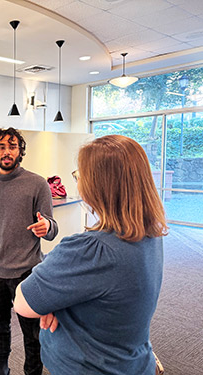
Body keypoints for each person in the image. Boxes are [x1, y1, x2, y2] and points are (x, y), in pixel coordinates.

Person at [14, 135, 168, 375]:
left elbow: (23, 302)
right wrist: (54, 302)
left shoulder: (91, 251)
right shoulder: (150, 235)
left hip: (87, 367)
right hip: (132, 362)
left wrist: (52, 302)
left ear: (99, 185)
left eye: (79, 176)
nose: (78, 182)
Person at [0, 127, 58, 375]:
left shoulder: (37, 183)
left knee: (33, 333)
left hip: (27, 273)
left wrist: (47, 227)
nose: (7, 151)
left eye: (12, 146)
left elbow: (52, 228)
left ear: (20, 150)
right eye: (1, 146)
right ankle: (1, 369)